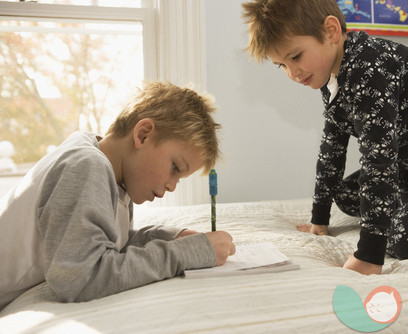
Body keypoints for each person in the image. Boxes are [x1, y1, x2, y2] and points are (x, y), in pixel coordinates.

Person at [242, 0, 408, 275]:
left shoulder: (371, 68)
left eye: (295, 57)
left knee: (404, 240)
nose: (292, 74)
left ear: (331, 31)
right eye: (280, 65)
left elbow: (379, 161)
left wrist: (369, 253)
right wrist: (320, 219)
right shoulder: (333, 75)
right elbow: (332, 148)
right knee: (348, 196)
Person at [0, 81, 235, 310]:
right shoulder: (85, 167)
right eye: (175, 168)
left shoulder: (114, 174)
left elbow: (108, 244)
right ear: (143, 134)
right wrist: (187, 253)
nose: (173, 186)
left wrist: (168, 237)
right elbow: (81, 278)